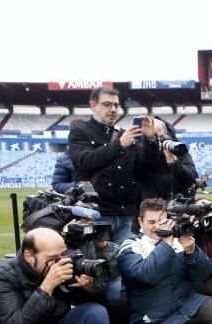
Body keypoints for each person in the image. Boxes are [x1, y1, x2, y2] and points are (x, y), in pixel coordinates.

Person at [68, 86, 160, 245]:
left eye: (116, 105)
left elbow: (147, 167)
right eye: (107, 104)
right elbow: (87, 161)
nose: (113, 109)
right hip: (95, 214)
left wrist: (151, 141)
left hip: (124, 213)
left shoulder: (125, 133)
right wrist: (120, 144)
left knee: (122, 263)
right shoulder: (80, 132)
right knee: (98, 265)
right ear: (93, 105)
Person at [139, 117, 198, 201]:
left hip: (178, 204)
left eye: (160, 137)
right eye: (152, 138)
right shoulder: (140, 152)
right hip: (152, 207)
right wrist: (152, 148)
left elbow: (192, 178)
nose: (157, 142)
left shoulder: (177, 150)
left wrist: (175, 163)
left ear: (167, 136)